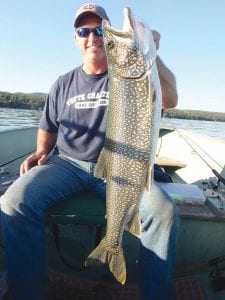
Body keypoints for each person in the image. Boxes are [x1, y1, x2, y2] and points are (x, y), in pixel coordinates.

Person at [0, 3, 178, 300]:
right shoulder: (63, 83)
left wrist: (152, 53)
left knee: (163, 211)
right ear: (76, 38)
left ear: (107, 34)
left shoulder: (133, 73)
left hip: (120, 171)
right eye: (84, 31)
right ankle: (27, 292)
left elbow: (170, 99)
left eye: (99, 30)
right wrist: (41, 152)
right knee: (14, 202)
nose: (92, 37)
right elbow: (49, 125)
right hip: (67, 164)